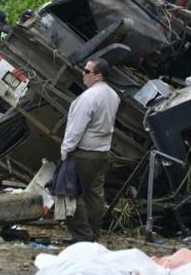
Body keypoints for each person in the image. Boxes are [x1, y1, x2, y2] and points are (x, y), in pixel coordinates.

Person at [60, 58, 120, 243]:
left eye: (87, 71)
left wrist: (65, 149)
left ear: (98, 75)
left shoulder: (88, 97)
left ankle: (82, 237)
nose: (83, 74)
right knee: (95, 195)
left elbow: (76, 128)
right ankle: (94, 235)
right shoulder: (113, 95)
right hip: (102, 153)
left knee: (70, 193)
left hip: (84, 153)